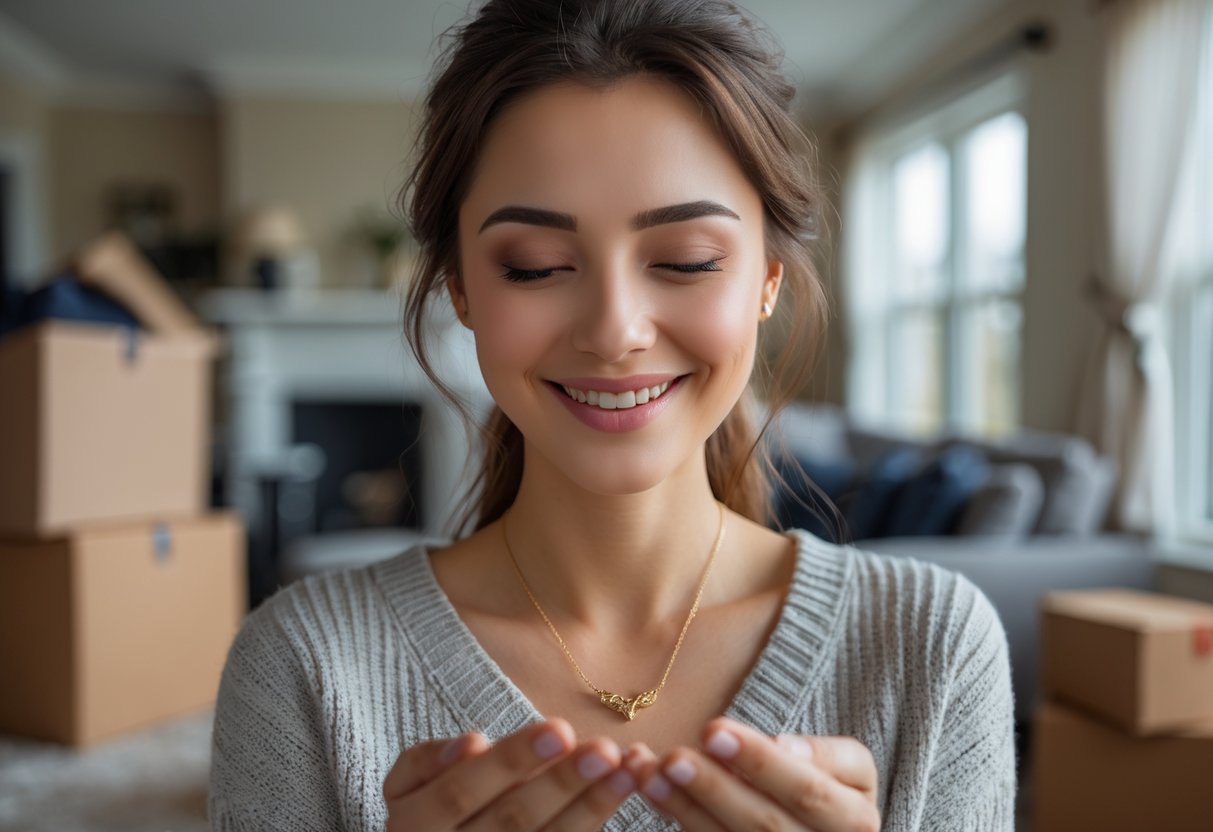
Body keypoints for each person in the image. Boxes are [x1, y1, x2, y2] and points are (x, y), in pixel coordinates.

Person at [207, 0, 1017, 829]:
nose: (613, 331)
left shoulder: (932, 645)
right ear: (461, 291)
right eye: (535, 267)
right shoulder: (302, 665)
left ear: (766, 281)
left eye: (685, 260)